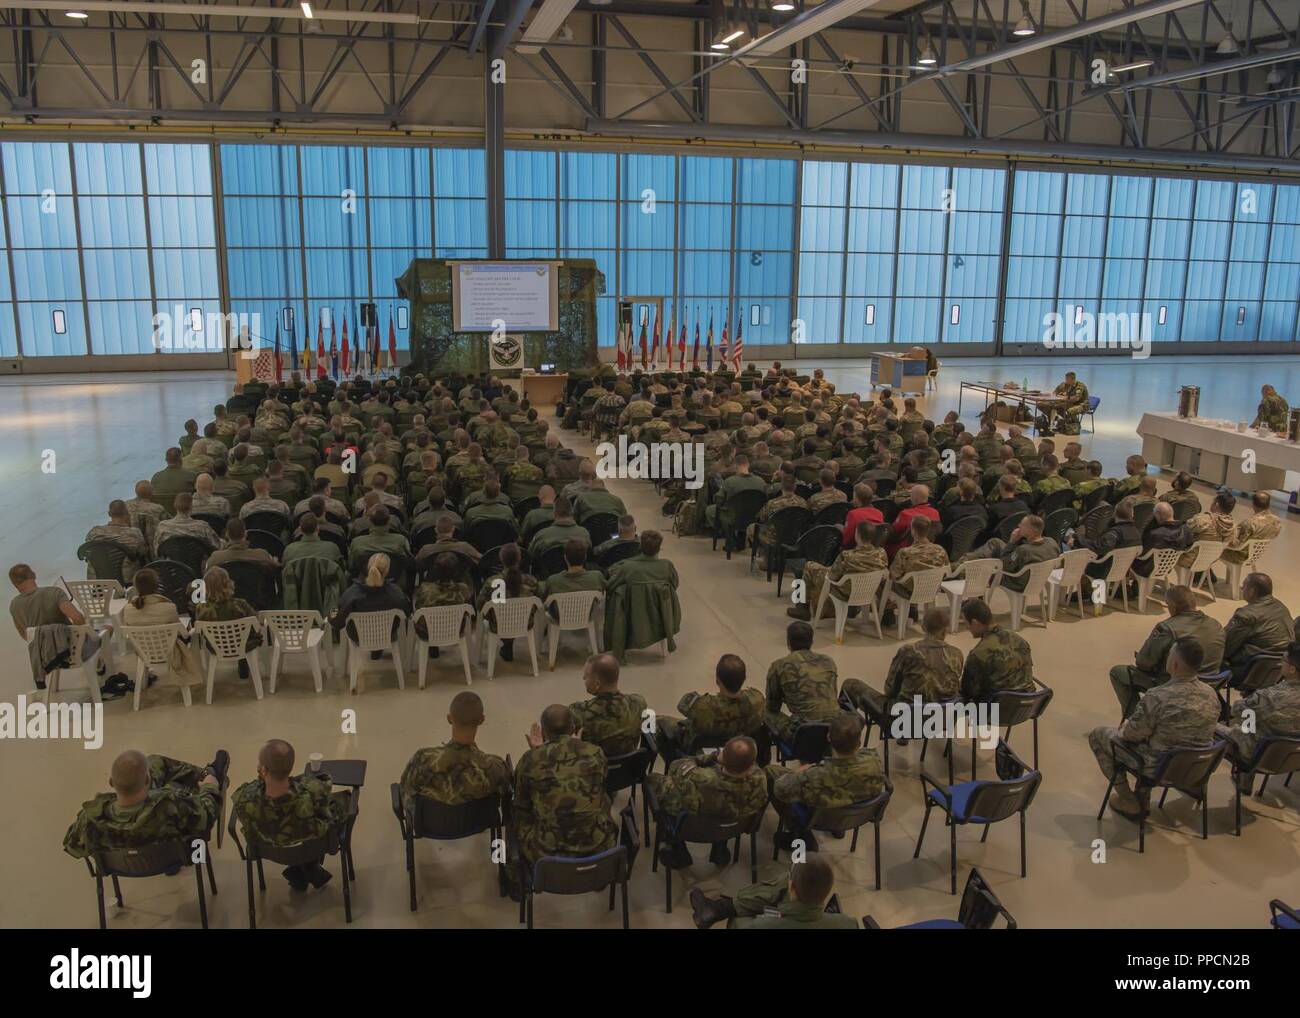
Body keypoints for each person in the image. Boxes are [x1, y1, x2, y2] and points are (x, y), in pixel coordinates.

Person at [1088, 636, 1220, 818]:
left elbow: (1130, 736)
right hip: (1196, 767)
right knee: (1158, 739)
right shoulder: (1211, 694)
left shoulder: (1157, 697)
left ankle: (1128, 800)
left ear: (1174, 664)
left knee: (1098, 735)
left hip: (1158, 768)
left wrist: (1127, 726)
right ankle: (1143, 794)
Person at [510, 704, 618, 880]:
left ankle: (515, 878)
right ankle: (598, 878)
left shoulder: (530, 760)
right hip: (598, 846)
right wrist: (576, 746)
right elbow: (602, 786)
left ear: (544, 733)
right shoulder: (595, 753)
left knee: (516, 810)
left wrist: (538, 753)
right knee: (602, 797)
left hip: (546, 853)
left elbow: (521, 804)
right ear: (573, 728)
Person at [63, 749, 228, 859]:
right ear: (148, 780)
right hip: (177, 855)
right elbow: (208, 813)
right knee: (176, 785)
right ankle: (208, 774)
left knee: (154, 762)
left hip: (137, 861)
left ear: (111, 782)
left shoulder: (90, 820)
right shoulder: (171, 807)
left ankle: (205, 773)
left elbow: (73, 848)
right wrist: (210, 786)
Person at [231, 739, 349, 891]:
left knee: (293, 832)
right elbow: (325, 789)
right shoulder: (312, 791)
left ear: (263, 770)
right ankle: (308, 866)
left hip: (267, 847)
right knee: (345, 802)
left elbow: (245, 796)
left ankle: (301, 870)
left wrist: (264, 778)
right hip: (311, 843)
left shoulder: (245, 799)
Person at [646, 735, 767, 869]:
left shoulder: (700, 778)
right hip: (734, 824)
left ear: (723, 757)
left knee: (653, 780)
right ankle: (720, 847)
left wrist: (713, 756)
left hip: (691, 828)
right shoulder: (760, 780)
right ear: (751, 765)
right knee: (728, 808)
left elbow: (676, 766)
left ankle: (675, 846)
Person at [766, 713, 883, 851]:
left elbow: (780, 790)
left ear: (828, 737)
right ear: (859, 743)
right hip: (854, 814)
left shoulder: (815, 775)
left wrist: (800, 771)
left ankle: (799, 834)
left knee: (770, 772)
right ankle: (839, 826)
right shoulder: (874, 762)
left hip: (816, 817)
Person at [1108, 585, 1226, 719]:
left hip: (1174, 686)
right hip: (1210, 684)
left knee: (1118, 673)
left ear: (1172, 607)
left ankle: (1138, 720)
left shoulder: (1166, 628)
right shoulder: (1216, 625)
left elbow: (1143, 663)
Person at [398, 691, 512, 814]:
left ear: (449, 719)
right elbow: (507, 795)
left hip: (432, 824)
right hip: (477, 822)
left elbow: (405, 791)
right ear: (482, 720)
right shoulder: (495, 767)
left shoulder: (423, 759)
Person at [842, 606, 963, 721]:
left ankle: (842, 733)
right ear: (945, 630)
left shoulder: (909, 652)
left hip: (903, 720)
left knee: (851, 685)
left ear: (923, 627)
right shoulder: (957, 654)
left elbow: (889, 690)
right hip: (942, 719)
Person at [689, 854, 857, 930]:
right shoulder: (849, 924)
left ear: (792, 888)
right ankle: (716, 909)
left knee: (746, 910)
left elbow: (754, 921)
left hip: (777, 917)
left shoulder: (755, 925)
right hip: (800, 915)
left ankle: (720, 908)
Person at [1216, 640, 1300, 786]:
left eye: (1283, 660)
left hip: (1257, 754)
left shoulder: (1268, 696)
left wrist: (1250, 704)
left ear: (1292, 669)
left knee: (1212, 725)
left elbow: (1236, 709)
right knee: (1253, 718)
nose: (1281, 664)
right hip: (1292, 758)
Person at [656, 653, 766, 763]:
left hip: (702, 752)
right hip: (739, 750)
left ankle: (674, 765)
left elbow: (682, 705)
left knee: (653, 721)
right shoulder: (757, 700)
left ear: (717, 680)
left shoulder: (703, 706)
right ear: (744, 678)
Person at [603, 530, 681, 661]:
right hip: (660, 616)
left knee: (618, 593)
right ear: (659, 548)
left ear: (640, 546)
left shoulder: (628, 568)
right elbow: (675, 584)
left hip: (633, 617)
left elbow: (610, 586)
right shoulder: (667, 566)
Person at [789, 520, 888, 622]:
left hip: (844, 592)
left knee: (809, 566)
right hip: (868, 592)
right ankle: (852, 609)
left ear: (857, 535)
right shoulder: (881, 553)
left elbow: (832, 576)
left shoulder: (847, 556)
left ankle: (802, 608)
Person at [765, 621, 844, 744]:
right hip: (833, 729)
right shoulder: (828, 661)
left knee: (763, 710)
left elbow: (772, 706)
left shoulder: (779, 666)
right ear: (812, 642)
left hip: (802, 733)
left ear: (788, 643)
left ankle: (763, 758)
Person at [120, 567, 200, 686]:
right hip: (169, 651)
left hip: (143, 652)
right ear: (157, 586)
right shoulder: (168, 607)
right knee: (190, 632)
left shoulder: (128, 609)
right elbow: (182, 634)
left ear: (135, 587)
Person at [569, 652, 647, 758]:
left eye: (586, 676)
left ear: (597, 684)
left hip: (596, 769)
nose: (583, 678)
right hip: (629, 767)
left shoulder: (579, 712)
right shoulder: (638, 703)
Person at [474, 542, 540, 662]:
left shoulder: (492, 582)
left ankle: (507, 644)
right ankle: (508, 645)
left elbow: (479, 605)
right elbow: (539, 602)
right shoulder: (531, 581)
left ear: (501, 559)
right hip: (524, 623)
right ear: (520, 558)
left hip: (497, 625)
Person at [1222, 573, 1294, 682]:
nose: (1241, 588)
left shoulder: (1245, 615)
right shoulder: (1281, 607)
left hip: (1252, 671)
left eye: (1244, 585)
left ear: (1252, 591)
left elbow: (1225, 647)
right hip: (1280, 670)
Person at [331, 552, 411, 644]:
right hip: (388, 635)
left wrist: (331, 609)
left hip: (358, 637)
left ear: (368, 567)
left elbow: (336, 621)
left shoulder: (352, 593)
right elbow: (408, 612)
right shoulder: (396, 592)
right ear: (387, 570)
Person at [1068, 494, 1141, 581]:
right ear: (1132, 515)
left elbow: (1099, 547)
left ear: (1114, 514)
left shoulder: (1114, 533)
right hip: (1121, 571)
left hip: (1102, 570)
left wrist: (1077, 540)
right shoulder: (1136, 533)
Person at [83, 500, 151, 581]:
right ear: (127, 513)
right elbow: (143, 553)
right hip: (126, 578)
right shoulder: (134, 533)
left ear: (109, 513)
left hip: (98, 579)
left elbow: (87, 553)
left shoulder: (94, 532)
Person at [1222, 491, 1283, 564]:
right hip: (1255, 555)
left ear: (1253, 505)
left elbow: (1235, 544)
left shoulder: (1249, 523)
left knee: (1211, 549)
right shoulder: (1277, 521)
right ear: (1268, 505)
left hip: (1240, 556)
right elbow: (1274, 535)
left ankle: (1207, 574)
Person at [153, 493, 220, 555]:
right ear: (191, 506)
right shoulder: (202, 526)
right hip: (198, 564)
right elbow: (216, 546)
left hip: (172, 565)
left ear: (174, 506)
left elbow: (157, 551)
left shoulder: (163, 526)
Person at [206, 518, 280, 571]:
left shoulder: (215, 559)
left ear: (227, 535)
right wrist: (274, 562)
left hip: (227, 592)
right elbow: (276, 570)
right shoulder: (262, 555)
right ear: (245, 534)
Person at [840, 482, 883, 548]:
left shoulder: (853, 514)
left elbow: (846, 541)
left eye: (854, 497)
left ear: (858, 500)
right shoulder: (879, 513)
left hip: (855, 549)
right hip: (873, 548)